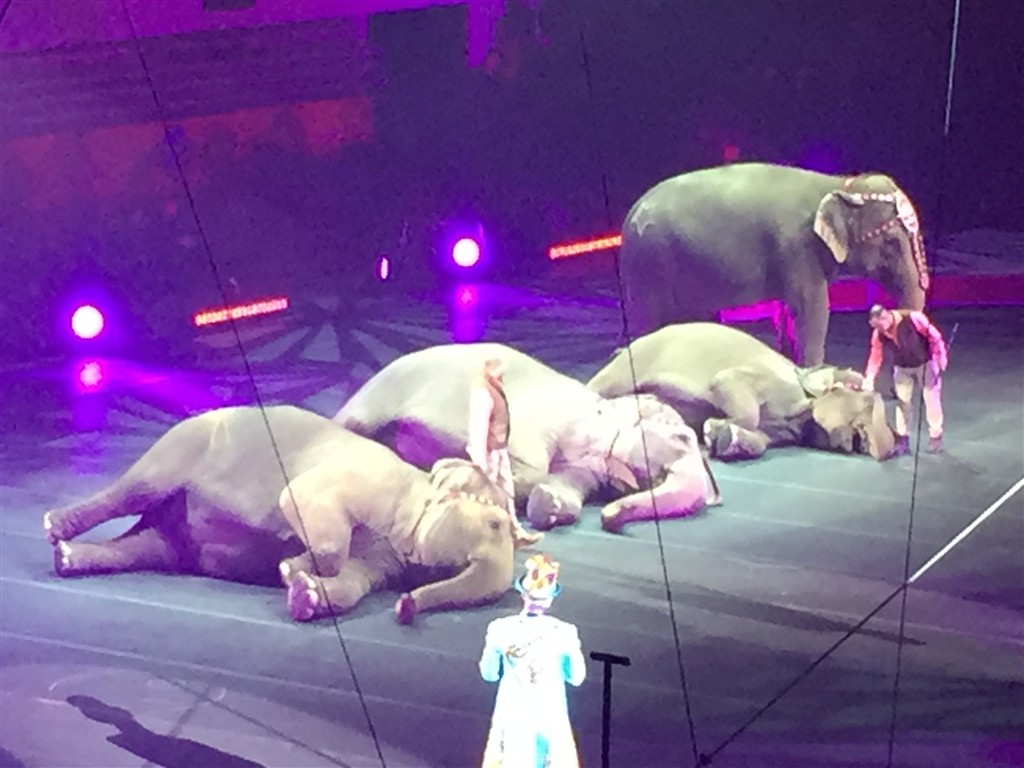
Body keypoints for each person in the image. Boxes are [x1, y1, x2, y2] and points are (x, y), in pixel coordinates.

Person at [479, 554, 586, 768]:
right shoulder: (564, 632)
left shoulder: (500, 628)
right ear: (550, 599)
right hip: (550, 718)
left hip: (512, 718)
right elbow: (576, 678)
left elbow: (489, 674)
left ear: (523, 594)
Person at [467, 357, 543, 546]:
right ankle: (482, 538)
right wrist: (480, 460)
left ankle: (515, 531)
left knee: (507, 490)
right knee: (486, 495)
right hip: (489, 453)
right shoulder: (483, 393)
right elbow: (478, 428)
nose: (503, 376)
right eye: (500, 371)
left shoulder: (495, 389)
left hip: (499, 450)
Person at [863, 304, 948, 454]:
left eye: (879, 325)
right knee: (903, 402)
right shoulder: (879, 333)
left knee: (931, 398)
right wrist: (870, 377)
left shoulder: (913, 318)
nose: (879, 329)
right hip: (902, 367)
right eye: (875, 327)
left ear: (885, 317)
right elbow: (876, 355)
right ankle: (903, 439)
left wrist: (940, 356)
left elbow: (934, 336)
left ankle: (935, 436)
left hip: (925, 363)